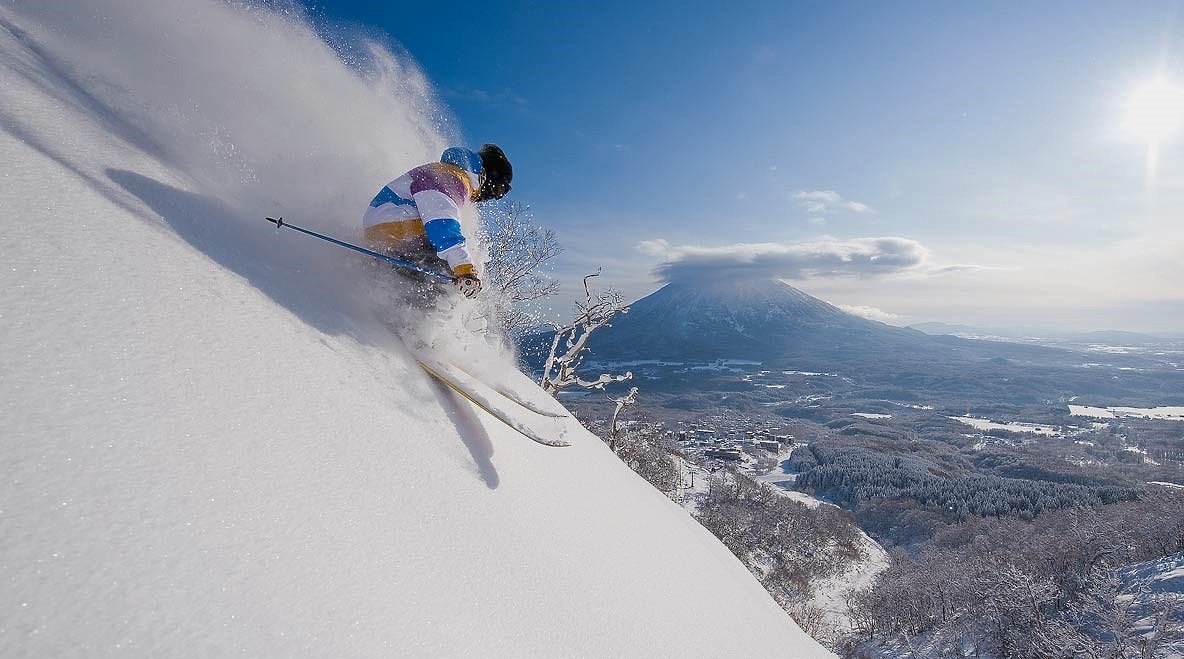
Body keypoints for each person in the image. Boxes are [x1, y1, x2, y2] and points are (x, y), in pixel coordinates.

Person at [362, 144, 512, 299]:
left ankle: (395, 306)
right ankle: (418, 315)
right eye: (499, 189)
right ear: (489, 175)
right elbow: (441, 220)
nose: (493, 196)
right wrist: (463, 267)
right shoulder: (453, 177)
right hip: (396, 225)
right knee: (445, 276)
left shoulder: (449, 173)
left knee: (421, 279)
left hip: (389, 231)